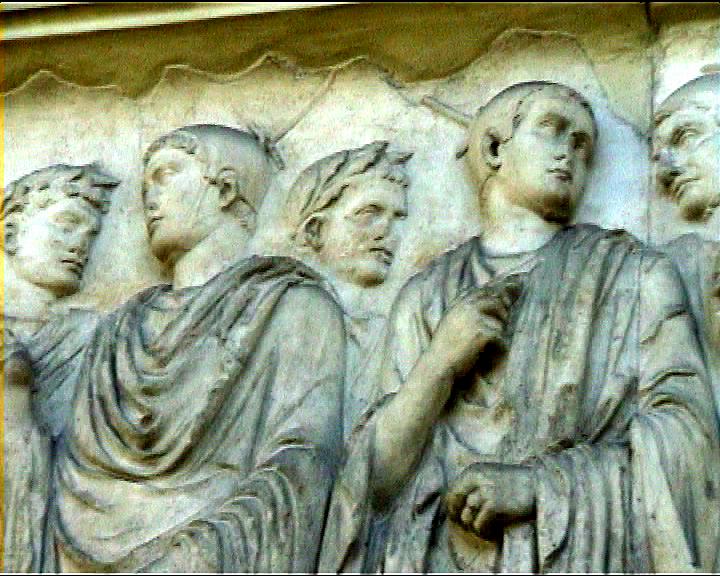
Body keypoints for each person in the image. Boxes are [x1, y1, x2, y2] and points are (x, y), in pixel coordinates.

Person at [319, 81, 720, 573]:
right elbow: (374, 482)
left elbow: (688, 440)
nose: (569, 153)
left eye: (582, 144)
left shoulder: (633, 274)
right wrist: (439, 364)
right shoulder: (426, 296)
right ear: (493, 148)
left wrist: (542, 487)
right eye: (552, 130)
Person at [44, 125, 345, 572]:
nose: (150, 197)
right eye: (146, 185)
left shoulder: (293, 308)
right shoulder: (115, 334)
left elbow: (301, 464)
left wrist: (193, 556)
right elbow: (75, 477)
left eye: (166, 175)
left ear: (225, 189)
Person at [2, 164, 117, 572]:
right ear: (11, 233)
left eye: (90, 235)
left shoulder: (96, 334)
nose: (80, 245)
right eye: (67, 225)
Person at [285, 140, 411, 438]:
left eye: (397, 218)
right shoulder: (279, 314)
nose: (387, 232)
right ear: (315, 230)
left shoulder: (389, 334)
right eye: (369, 213)